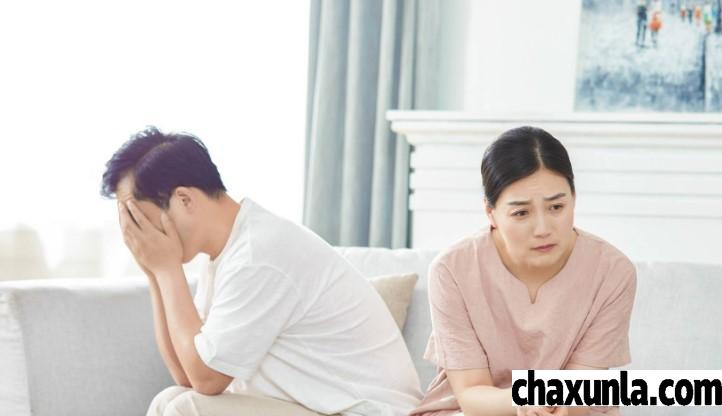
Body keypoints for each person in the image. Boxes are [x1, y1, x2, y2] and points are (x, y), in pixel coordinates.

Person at [100, 127, 422, 416]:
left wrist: (167, 269)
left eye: (141, 220)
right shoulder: (226, 253)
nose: (141, 236)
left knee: (187, 410)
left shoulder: (258, 255)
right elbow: (186, 375)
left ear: (184, 200)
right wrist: (154, 273)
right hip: (318, 409)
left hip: (364, 412)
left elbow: (206, 378)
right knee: (169, 400)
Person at [409, 127, 637, 416]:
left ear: (574, 198)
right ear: (491, 213)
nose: (543, 229)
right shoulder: (451, 271)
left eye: (557, 207)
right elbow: (471, 394)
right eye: (521, 213)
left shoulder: (613, 273)